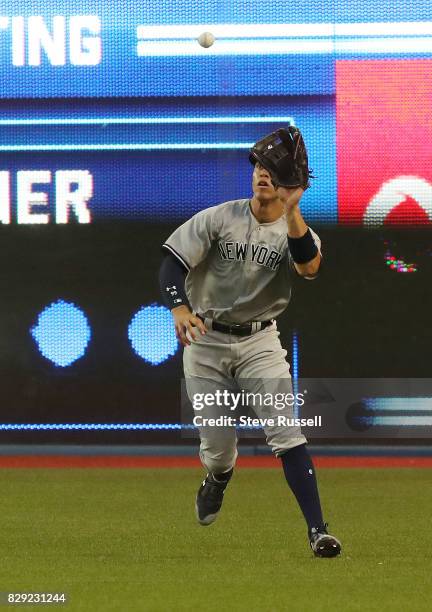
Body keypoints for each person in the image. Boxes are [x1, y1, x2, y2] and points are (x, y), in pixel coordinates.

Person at [159, 153, 341, 558]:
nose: (262, 173)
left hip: (259, 341)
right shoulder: (220, 218)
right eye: (259, 166)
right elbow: (171, 263)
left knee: (286, 432)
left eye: (274, 170)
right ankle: (218, 477)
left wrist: (293, 211)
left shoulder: (296, 231)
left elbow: (309, 267)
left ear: (292, 184)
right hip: (206, 341)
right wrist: (179, 307)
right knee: (220, 449)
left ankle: (318, 532)